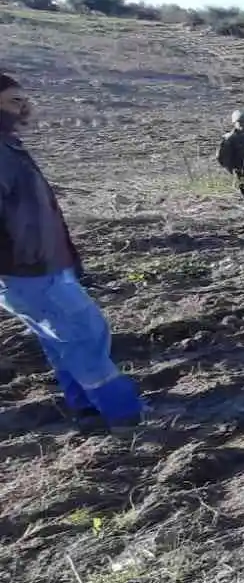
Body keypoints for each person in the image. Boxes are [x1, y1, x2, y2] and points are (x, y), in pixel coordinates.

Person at [0, 73, 146, 426]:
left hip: (40, 264)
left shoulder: (8, 145)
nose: (25, 107)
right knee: (85, 332)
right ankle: (123, 413)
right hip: (28, 269)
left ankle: (87, 406)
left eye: (25, 100)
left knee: (62, 338)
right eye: (15, 101)